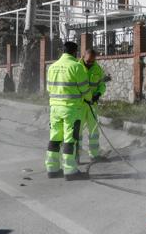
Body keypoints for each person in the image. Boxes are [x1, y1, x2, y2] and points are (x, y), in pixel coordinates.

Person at [45, 41, 90, 180]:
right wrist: (89, 98)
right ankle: (70, 171)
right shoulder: (76, 67)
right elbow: (85, 90)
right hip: (71, 109)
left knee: (55, 138)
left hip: (54, 109)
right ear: (75, 52)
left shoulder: (52, 67)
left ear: (63, 51)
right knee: (70, 139)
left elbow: (49, 89)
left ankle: (52, 169)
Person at [81, 47, 107, 161]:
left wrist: (98, 94)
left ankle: (94, 154)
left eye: (92, 61)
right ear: (83, 57)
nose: (90, 63)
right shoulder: (77, 67)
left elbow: (102, 84)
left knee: (94, 131)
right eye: (88, 61)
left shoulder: (97, 69)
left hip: (92, 104)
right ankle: (75, 156)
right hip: (80, 105)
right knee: (77, 131)